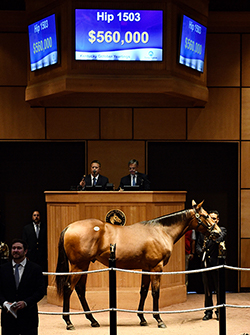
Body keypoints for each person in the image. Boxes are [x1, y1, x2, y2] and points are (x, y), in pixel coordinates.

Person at [0, 238, 44, 335]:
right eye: (13, 248)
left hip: (28, 318)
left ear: (25, 251)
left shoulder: (35, 269)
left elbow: (40, 290)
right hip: (8, 319)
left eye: (19, 248)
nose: (15, 250)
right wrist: (4, 303)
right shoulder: (2, 269)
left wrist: (26, 302)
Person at [196, 210, 227, 321]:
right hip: (206, 264)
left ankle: (219, 312)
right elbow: (198, 247)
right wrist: (201, 250)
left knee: (219, 290)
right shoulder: (203, 232)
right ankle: (208, 312)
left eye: (214, 218)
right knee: (207, 290)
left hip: (217, 265)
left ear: (217, 220)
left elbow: (219, 239)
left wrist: (212, 234)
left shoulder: (221, 230)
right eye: (210, 218)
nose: (212, 220)